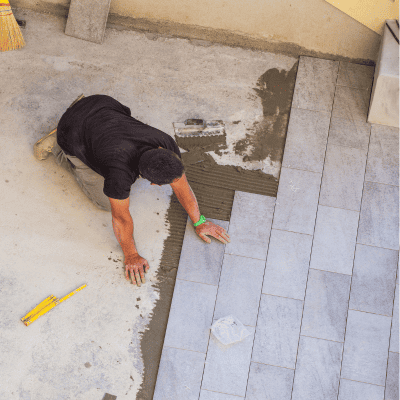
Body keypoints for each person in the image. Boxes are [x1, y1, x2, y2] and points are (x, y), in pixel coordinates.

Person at [33, 94, 230, 287]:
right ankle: (57, 144)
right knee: (103, 202)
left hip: (101, 104)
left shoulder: (167, 144)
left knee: (105, 139)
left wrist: (200, 221)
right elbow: (121, 218)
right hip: (73, 131)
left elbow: (182, 186)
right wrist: (131, 255)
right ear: (152, 182)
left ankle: (81, 112)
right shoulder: (119, 173)